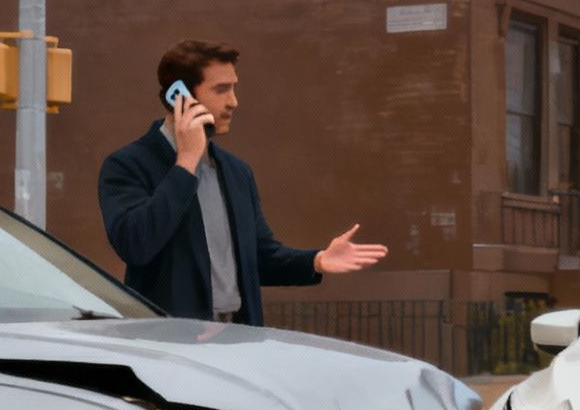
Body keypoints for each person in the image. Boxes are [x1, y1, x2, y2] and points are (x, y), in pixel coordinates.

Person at [98, 40, 386, 325]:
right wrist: (185, 162)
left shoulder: (236, 173)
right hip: (171, 345)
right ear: (181, 97)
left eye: (233, 88)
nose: (233, 101)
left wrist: (317, 260)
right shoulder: (127, 165)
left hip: (238, 338)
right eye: (221, 89)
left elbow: (259, 257)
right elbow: (136, 244)